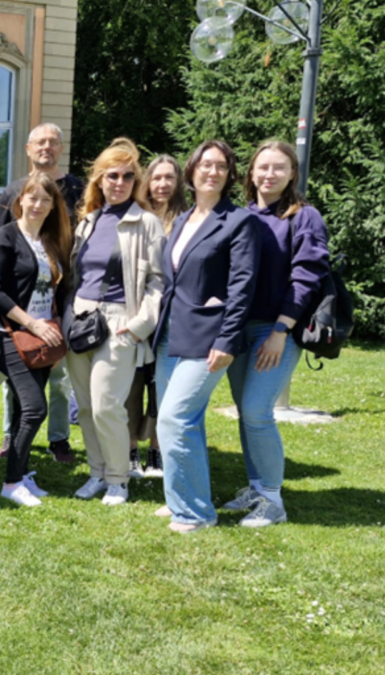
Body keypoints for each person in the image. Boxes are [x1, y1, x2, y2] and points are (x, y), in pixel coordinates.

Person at [221, 140, 330, 528]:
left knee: (256, 410)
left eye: (278, 168)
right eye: (263, 167)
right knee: (245, 414)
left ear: (291, 174)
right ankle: (256, 486)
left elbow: (307, 277)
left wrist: (282, 329)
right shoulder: (242, 216)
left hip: (276, 330)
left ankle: (272, 501)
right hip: (239, 330)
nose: (269, 174)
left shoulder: (304, 217)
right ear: (251, 172)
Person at [152, 140, 259, 533]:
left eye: (221, 166)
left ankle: (195, 513)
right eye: (205, 165)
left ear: (230, 174)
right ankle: (180, 496)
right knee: (186, 422)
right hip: (170, 335)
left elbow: (242, 286)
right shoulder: (182, 220)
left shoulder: (239, 221)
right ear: (191, 172)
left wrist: (227, 340)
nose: (212, 172)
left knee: (175, 420)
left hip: (209, 337)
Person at [64, 140, 166, 506]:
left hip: (121, 320)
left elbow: (158, 281)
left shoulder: (147, 222)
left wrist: (140, 324)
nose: (119, 182)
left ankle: (118, 479)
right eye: (112, 175)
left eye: (127, 176)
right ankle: (96, 473)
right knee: (87, 406)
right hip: (81, 318)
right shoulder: (88, 221)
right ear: (99, 180)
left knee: (108, 404)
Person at [0, 123, 83, 463]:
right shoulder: (14, 190)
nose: (47, 147)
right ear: (28, 149)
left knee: (59, 376)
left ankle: (58, 439)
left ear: (61, 148)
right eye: (40, 142)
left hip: (61, 297)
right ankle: (10, 437)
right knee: (16, 380)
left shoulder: (77, 188)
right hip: (21, 305)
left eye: (53, 142)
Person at [0, 173, 72, 506]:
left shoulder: (50, 240)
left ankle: (20, 474)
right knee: (36, 408)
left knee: (25, 409)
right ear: (20, 200)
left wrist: (54, 327)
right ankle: (10, 484)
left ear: (53, 206)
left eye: (45, 200)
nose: (37, 205)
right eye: (32, 198)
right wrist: (32, 324)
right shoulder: (6, 236)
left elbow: (59, 288)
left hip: (44, 338)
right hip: (12, 334)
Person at [126, 154, 189, 477]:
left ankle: (157, 451)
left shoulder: (187, 220)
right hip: (139, 313)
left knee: (162, 387)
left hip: (173, 318)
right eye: (157, 177)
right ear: (147, 180)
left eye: (169, 178)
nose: (162, 184)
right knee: (132, 387)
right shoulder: (136, 216)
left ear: (178, 183)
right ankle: (130, 451)